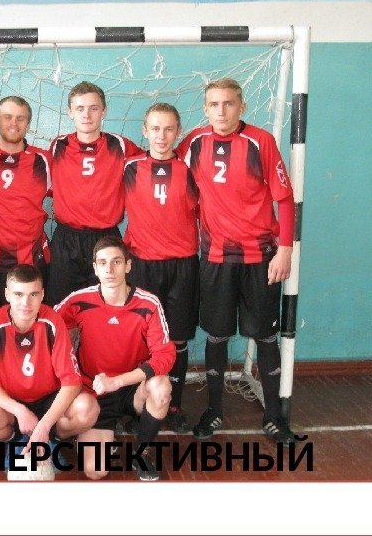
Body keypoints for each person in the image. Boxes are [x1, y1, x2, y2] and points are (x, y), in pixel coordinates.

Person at [175, 77, 295, 443]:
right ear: (205, 109)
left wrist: (285, 249)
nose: (221, 111)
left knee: (266, 336)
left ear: (242, 106)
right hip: (214, 258)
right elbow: (163, 167)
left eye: (228, 103)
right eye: (214, 104)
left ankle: (274, 416)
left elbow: (285, 199)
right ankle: (214, 410)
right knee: (217, 335)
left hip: (260, 257)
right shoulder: (193, 143)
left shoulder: (261, 141)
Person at [55, 236, 175, 481]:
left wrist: (118, 381)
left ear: (128, 265)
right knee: (95, 471)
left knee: (161, 387)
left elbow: (165, 355)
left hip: (132, 389)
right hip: (95, 392)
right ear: (95, 268)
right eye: (103, 263)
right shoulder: (78, 300)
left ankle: (141, 452)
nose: (109, 269)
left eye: (116, 262)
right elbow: (47, 326)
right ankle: (88, 431)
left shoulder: (148, 303)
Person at [0, 264, 98, 479]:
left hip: (48, 400)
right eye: (18, 294)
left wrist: (45, 426)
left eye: (33, 294)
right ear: (7, 294)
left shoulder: (53, 321)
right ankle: (17, 442)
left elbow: (72, 382)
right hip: (11, 403)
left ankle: (49, 440)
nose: (26, 303)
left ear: (42, 295)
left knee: (87, 408)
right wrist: (20, 411)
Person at [122, 102, 199, 433]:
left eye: (169, 129)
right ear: (144, 130)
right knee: (141, 339)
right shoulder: (129, 168)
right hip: (142, 265)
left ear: (178, 132)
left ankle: (175, 404)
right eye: (155, 128)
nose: (161, 135)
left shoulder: (191, 169)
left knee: (177, 339)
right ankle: (136, 405)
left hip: (183, 266)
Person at [46, 81, 143, 306]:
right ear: (70, 111)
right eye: (80, 108)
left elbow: (149, 170)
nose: (86, 115)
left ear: (104, 111)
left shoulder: (120, 146)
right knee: (61, 308)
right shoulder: (58, 146)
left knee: (108, 307)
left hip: (106, 238)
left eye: (94, 108)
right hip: (67, 240)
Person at [0, 96, 53, 316]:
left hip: (33, 259)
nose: (14, 123)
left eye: (20, 118)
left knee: (33, 324)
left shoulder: (43, 160)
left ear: (28, 123)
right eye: (7, 117)